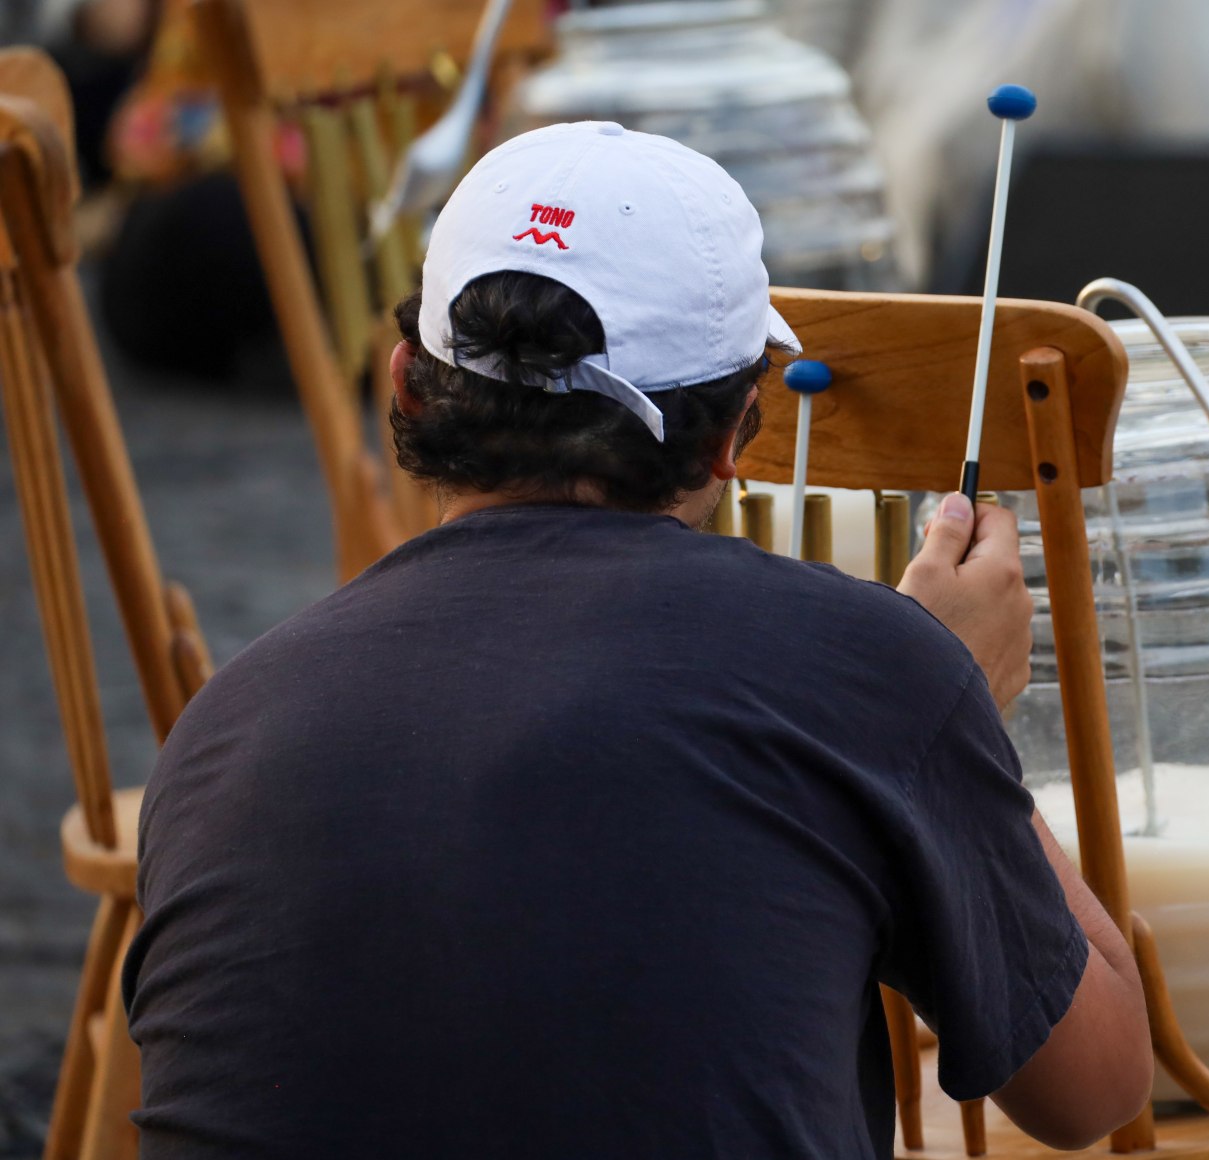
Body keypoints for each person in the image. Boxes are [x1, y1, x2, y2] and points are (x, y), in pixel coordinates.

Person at [121, 121, 1154, 1158]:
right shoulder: (865, 672)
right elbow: (1095, 1086)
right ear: (735, 430)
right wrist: (946, 700)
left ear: (405, 385)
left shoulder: (222, 727)